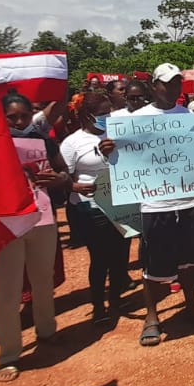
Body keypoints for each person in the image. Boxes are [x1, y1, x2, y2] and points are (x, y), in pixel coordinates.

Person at [101, 63, 194, 346]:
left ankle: (191, 306)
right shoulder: (134, 120)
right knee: (153, 267)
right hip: (155, 205)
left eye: (177, 82)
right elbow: (110, 152)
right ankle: (152, 317)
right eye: (168, 83)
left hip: (188, 201)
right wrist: (106, 149)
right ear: (154, 85)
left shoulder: (188, 117)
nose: (174, 88)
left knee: (188, 263)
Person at [0, 92, 69, 381]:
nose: (20, 121)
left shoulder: (44, 141)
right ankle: (9, 355)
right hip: (6, 224)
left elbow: (64, 172)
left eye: (24, 116)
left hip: (43, 219)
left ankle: (47, 332)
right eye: (12, 117)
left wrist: (59, 179)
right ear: (2, 118)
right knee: (9, 290)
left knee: (43, 281)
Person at [60, 89, 130, 323]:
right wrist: (76, 187)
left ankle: (117, 300)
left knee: (121, 256)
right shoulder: (72, 143)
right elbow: (63, 176)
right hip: (90, 207)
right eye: (102, 114)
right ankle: (99, 304)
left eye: (109, 113)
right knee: (101, 257)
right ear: (87, 116)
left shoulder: (118, 133)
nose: (107, 118)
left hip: (120, 203)